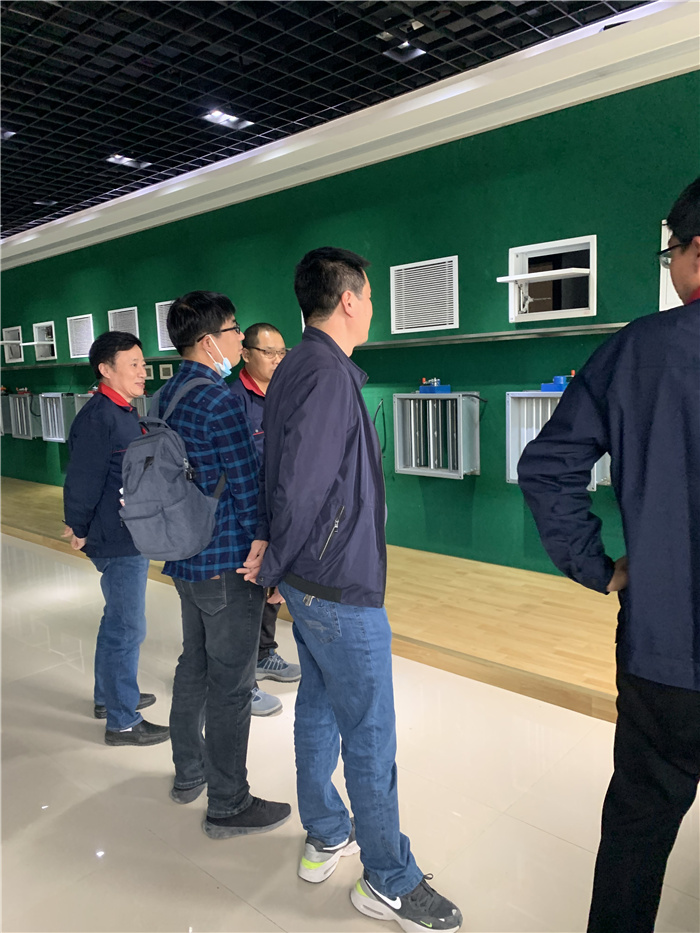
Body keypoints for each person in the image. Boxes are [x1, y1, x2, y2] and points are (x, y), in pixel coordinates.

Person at [240, 248, 463, 932]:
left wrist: (278, 558)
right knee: (369, 731)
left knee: (319, 706)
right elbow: (302, 485)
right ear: (348, 300)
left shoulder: (296, 367)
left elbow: (278, 470)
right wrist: (276, 562)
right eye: (368, 296)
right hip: (338, 584)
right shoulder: (327, 375)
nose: (371, 307)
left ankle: (326, 830)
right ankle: (389, 880)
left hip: (313, 580)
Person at [517, 177, 700, 933]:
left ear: (697, 252)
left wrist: (601, 566)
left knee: (637, 831)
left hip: (664, 654)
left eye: (669, 252)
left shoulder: (638, 351)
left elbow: (546, 469)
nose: (669, 267)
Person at [159, 290, 291, 839]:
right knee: (232, 685)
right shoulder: (219, 399)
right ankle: (228, 804)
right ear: (209, 340)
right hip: (227, 562)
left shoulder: (166, 394)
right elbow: (245, 480)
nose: (240, 339)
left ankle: (188, 772)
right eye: (235, 330)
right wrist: (268, 548)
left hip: (184, 555)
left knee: (194, 664)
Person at [63, 331, 169, 746]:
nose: (143, 373)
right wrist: (78, 527)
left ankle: (109, 697)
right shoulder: (99, 418)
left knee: (116, 622)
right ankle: (123, 722)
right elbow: (82, 480)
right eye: (133, 365)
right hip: (117, 537)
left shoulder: (123, 411)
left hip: (130, 530)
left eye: (143, 364)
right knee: (127, 627)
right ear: (106, 369)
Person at [231, 322, 301, 717]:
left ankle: (264, 653)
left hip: (278, 507)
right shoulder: (234, 400)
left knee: (273, 586)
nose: (277, 360)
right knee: (248, 595)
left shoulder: (286, 393)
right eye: (268, 353)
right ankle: (244, 680)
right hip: (246, 515)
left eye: (281, 353)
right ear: (246, 354)